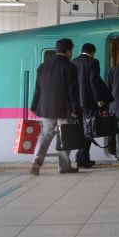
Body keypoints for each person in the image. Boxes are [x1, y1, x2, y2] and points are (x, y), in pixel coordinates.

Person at [30, 38, 82, 175]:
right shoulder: (70, 67)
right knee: (65, 137)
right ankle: (64, 167)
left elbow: (38, 89)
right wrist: (76, 109)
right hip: (65, 109)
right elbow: (73, 90)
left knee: (46, 135)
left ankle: (36, 160)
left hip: (46, 108)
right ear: (68, 50)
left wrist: (34, 105)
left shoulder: (43, 66)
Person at [72, 43, 111, 168]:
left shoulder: (73, 62)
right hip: (88, 102)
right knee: (88, 129)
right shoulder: (93, 62)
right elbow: (93, 81)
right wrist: (99, 99)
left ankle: (83, 158)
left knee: (81, 130)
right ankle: (82, 159)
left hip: (76, 103)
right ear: (92, 52)